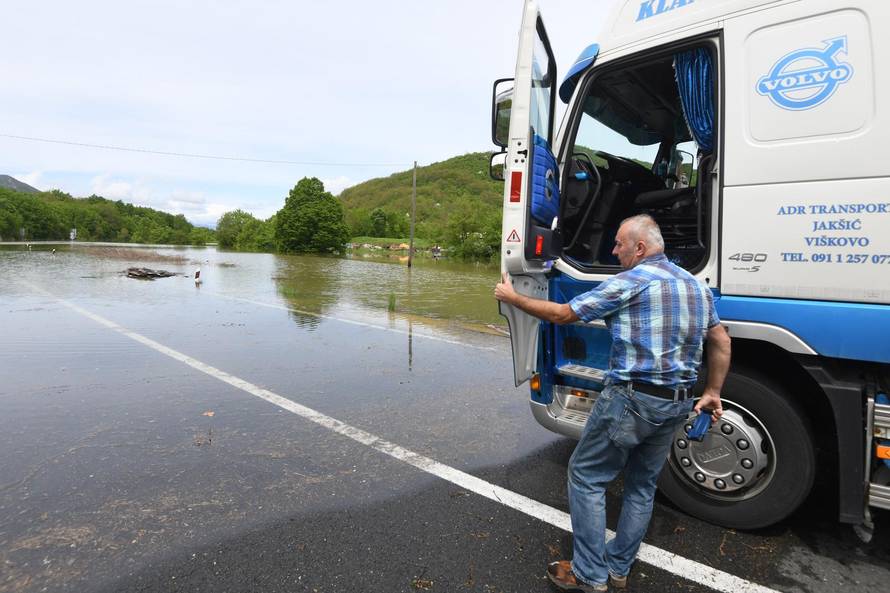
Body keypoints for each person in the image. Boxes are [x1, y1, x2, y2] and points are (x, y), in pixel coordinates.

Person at [494, 214, 731, 592]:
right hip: (678, 403)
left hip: (632, 399)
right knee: (642, 485)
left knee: (587, 476)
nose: (614, 249)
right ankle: (618, 567)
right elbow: (720, 340)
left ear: (640, 248)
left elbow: (564, 313)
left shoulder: (631, 281)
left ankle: (589, 574)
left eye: (620, 243)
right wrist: (713, 391)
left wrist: (513, 298)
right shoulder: (695, 285)